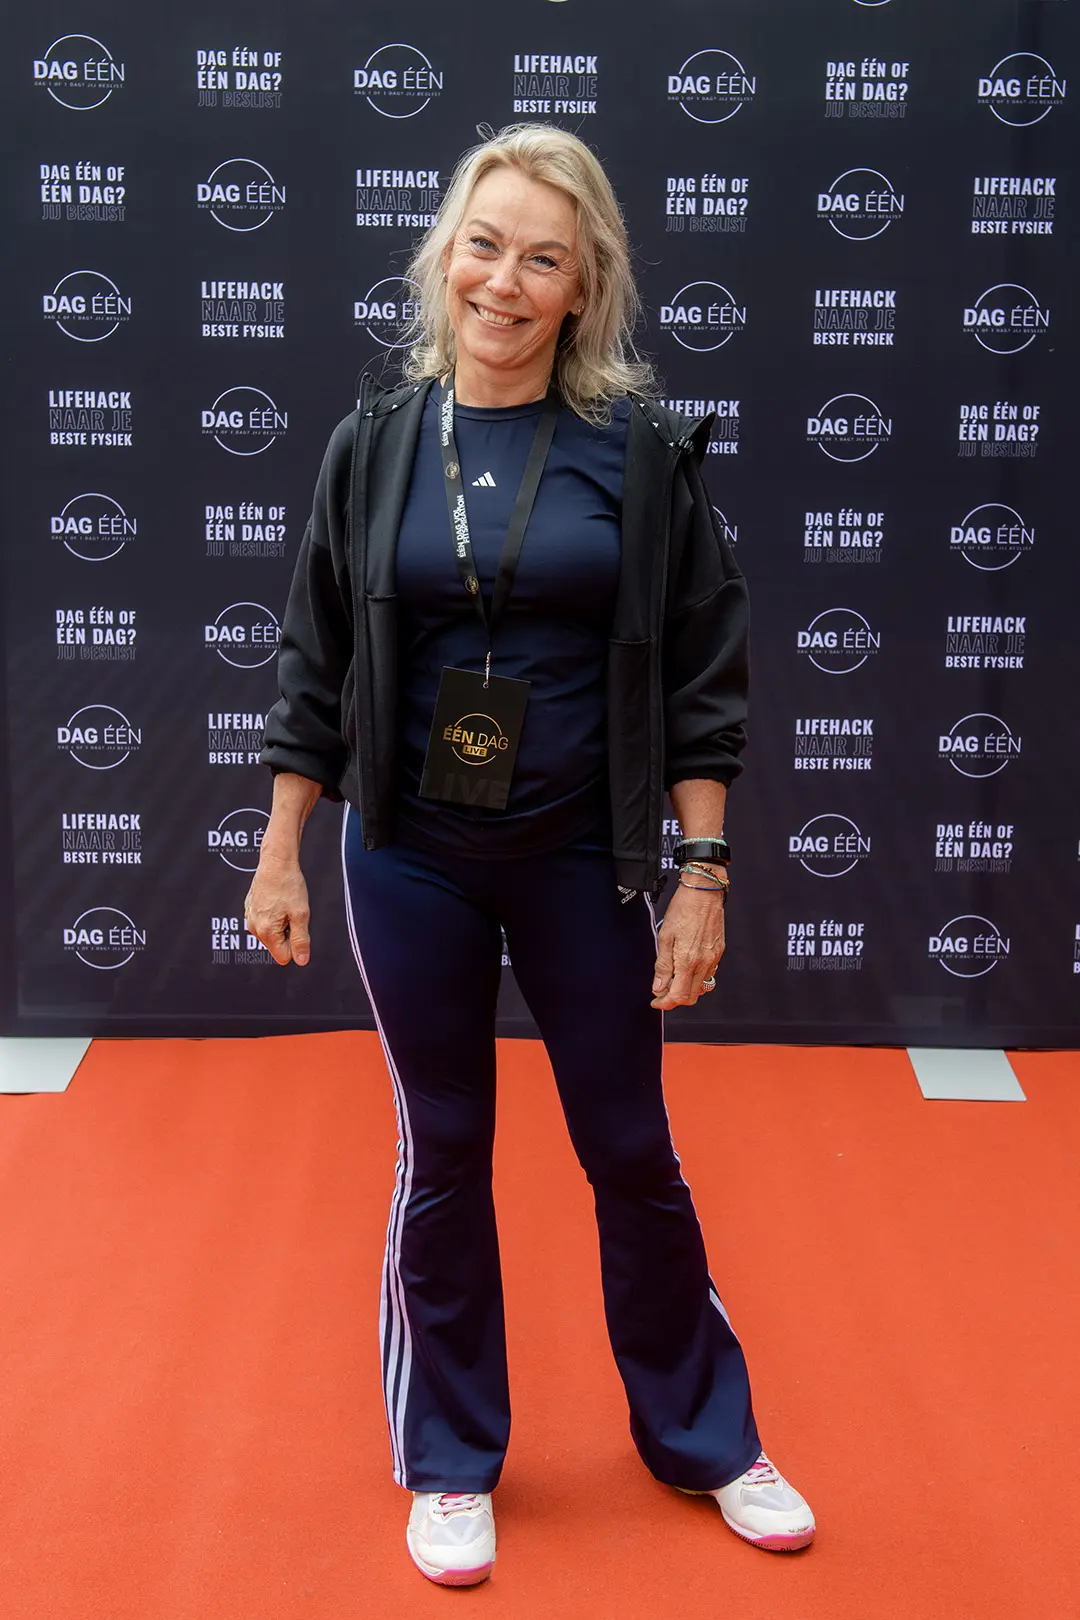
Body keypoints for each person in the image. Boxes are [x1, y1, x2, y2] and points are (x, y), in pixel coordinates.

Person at [248, 123, 815, 1586]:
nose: (503, 281)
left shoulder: (640, 454)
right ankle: (449, 1458)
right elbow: (314, 661)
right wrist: (280, 848)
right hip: (411, 859)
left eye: (542, 259)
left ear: (584, 287)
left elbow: (704, 678)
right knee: (443, 1152)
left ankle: (706, 1438)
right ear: (445, 253)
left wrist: (702, 876)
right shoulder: (374, 446)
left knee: (630, 1149)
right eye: (484, 244)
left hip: (582, 860)